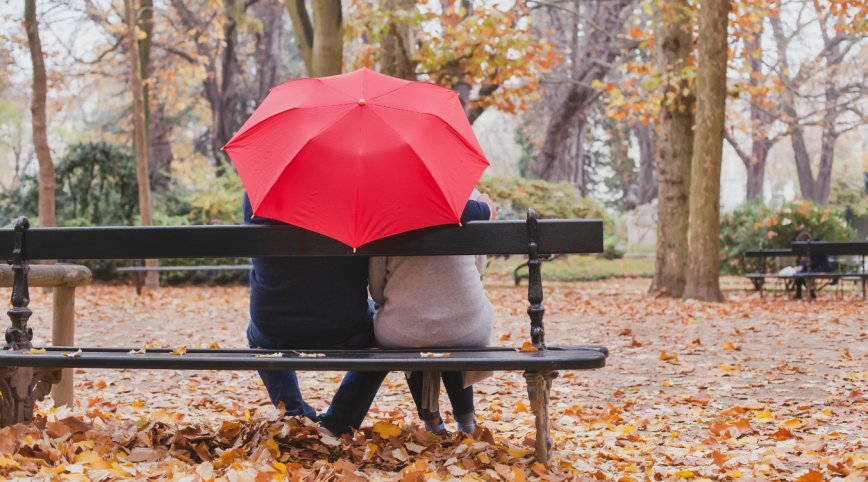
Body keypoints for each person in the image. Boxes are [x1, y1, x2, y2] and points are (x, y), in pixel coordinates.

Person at [243, 192, 496, 436]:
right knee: (378, 335)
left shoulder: (260, 190)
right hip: (344, 329)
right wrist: (483, 208)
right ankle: (339, 422)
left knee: (256, 333)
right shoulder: (354, 187)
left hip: (272, 326)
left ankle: (293, 414)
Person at [368, 189, 497, 434]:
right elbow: (478, 270)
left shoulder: (384, 207)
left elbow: (376, 290)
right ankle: (467, 421)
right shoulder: (468, 198)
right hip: (468, 329)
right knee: (456, 324)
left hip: (402, 333)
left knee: (411, 324)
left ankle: (432, 423)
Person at [793, 233, 834, 299]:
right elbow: (811, 261)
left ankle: (810, 292)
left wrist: (802, 267)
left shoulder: (815, 246)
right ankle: (803, 293)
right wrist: (800, 266)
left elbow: (814, 261)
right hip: (816, 267)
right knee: (798, 275)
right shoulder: (814, 245)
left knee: (800, 275)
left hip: (822, 268)